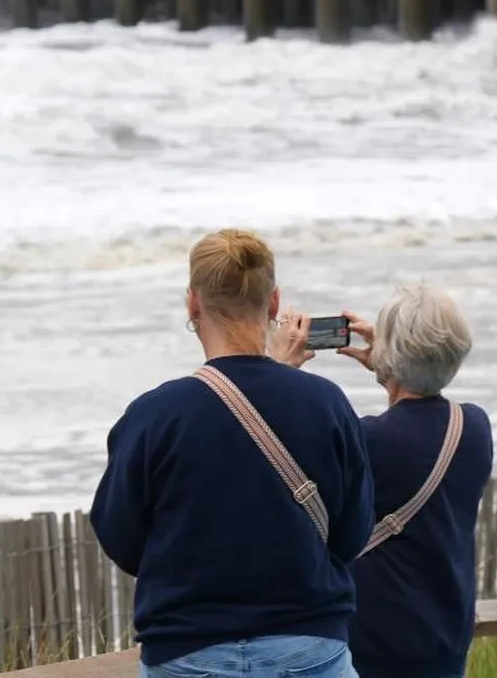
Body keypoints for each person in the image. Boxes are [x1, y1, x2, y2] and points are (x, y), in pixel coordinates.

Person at [91, 229, 374, 678]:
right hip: (307, 645)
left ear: (193, 304)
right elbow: (353, 533)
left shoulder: (154, 415)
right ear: (274, 302)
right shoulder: (326, 404)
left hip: (188, 649)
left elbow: (121, 539)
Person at [276, 284, 493, 678]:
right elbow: (417, 428)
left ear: (392, 353)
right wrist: (395, 369)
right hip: (447, 639)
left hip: (379, 645)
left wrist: (280, 373)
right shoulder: (473, 427)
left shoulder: (366, 440)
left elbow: (275, 462)